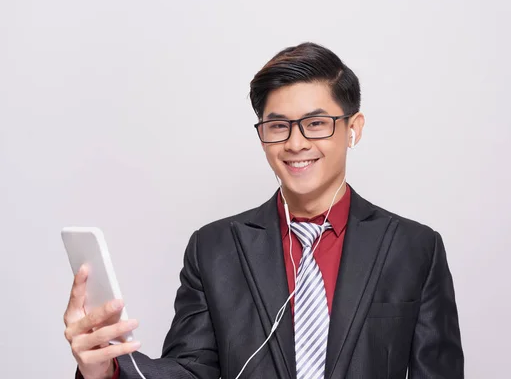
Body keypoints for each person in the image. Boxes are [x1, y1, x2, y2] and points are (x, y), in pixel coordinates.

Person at [63, 42, 464, 379]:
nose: (296, 143)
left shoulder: (415, 248)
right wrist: (109, 370)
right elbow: (190, 369)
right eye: (278, 126)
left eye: (316, 123)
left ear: (353, 129)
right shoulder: (214, 248)